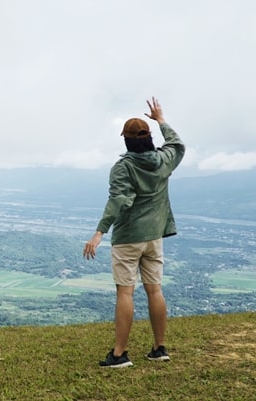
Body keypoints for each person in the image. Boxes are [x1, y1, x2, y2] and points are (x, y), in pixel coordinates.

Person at [83, 97, 185, 368]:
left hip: (128, 238)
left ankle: (119, 354)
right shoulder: (163, 160)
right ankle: (159, 348)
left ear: (126, 141)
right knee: (155, 291)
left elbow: (118, 200)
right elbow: (177, 145)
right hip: (155, 237)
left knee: (125, 293)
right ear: (149, 137)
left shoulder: (123, 167)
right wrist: (161, 119)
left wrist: (99, 233)